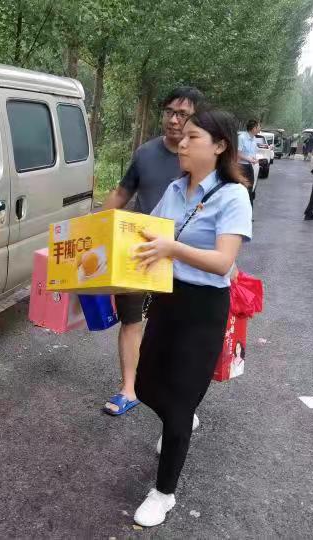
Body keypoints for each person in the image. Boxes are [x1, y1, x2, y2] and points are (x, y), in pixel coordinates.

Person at [131, 105, 252, 527]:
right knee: (144, 384)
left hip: (203, 308)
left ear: (219, 146)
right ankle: (179, 417)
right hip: (167, 298)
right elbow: (147, 231)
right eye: (182, 137)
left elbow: (223, 262)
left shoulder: (233, 196)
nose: (181, 143)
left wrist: (173, 249)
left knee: (179, 402)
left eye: (192, 137)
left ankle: (163, 493)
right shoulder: (175, 189)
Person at [100, 86, 204, 417]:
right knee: (131, 319)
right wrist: (95, 230)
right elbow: (121, 193)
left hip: (182, 256)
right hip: (139, 252)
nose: (173, 120)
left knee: (176, 327)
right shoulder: (145, 153)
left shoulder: (202, 160)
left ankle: (178, 394)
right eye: (169, 112)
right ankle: (129, 388)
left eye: (182, 114)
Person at [238, 119, 260, 203]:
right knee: (242, 188)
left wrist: (254, 159)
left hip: (249, 166)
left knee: (250, 187)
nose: (259, 129)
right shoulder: (241, 137)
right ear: (254, 128)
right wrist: (249, 159)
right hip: (241, 166)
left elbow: (252, 153)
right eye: (258, 127)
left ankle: (249, 207)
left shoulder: (254, 139)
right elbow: (238, 154)